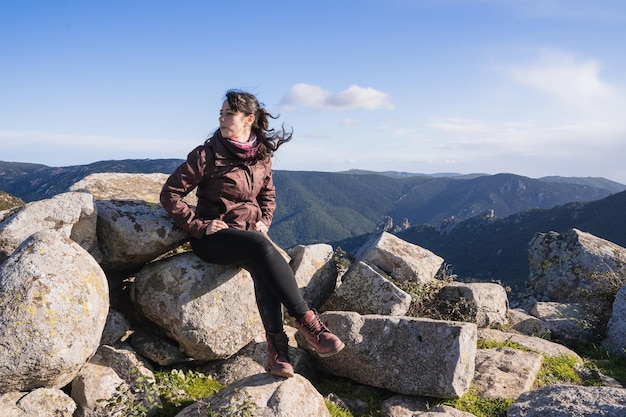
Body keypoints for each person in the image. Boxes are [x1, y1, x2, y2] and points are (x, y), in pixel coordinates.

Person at [160, 89, 344, 378]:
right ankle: (310, 325)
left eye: (228, 113)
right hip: (213, 240)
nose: (221, 118)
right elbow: (170, 194)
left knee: (262, 263)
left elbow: (268, 194)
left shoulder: (261, 155)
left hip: (249, 237)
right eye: (221, 113)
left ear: (249, 119)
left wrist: (265, 220)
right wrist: (199, 225)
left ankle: (278, 353)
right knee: (260, 249)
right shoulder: (207, 155)